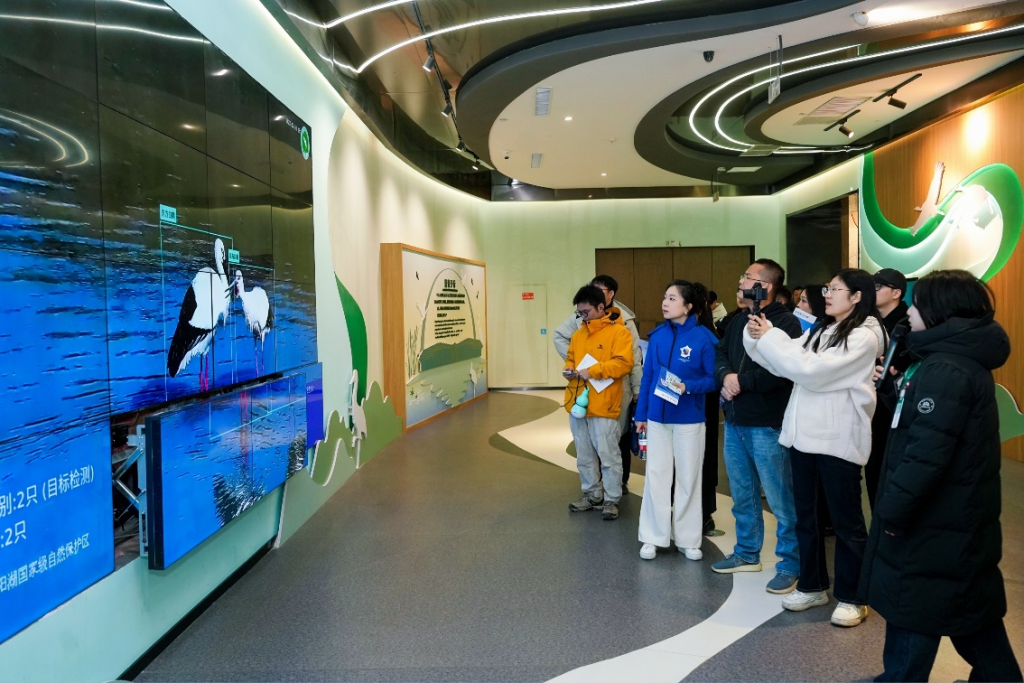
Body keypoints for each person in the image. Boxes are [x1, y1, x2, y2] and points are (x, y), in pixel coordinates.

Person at [862, 270, 1020, 682]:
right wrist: (896, 389)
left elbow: (926, 455)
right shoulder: (949, 362)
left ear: (938, 311)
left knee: (916, 609)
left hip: (935, 520)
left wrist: (893, 511)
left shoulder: (945, 369)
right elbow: (930, 428)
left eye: (917, 304)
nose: (909, 311)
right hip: (956, 518)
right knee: (968, 611)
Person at [744, 269, 884, 628]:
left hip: (838, 438)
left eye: (835, 289)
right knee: (806, 516)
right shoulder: (824, 329)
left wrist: (770, 337)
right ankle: (812, 585)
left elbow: (811, 372)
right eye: (827, 288)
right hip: (804, 436)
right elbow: (786, 359)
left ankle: (854, 597)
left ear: (857, 296)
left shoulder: (864, 336)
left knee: (846, 522)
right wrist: (759, 333)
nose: (827, 294)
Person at [712, 259, 803, 595]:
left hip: (767, 422)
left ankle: (791, 563)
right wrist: (726, 376)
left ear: (765, 286)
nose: (741, 280)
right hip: (735, 419)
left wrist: (742, 382)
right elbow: (720, 353)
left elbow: (784, 369)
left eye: (748, 277)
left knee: (780, 499)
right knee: (742, 493)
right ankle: (747, 552)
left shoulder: (785, 322)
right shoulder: (738, 319)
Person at [634, 281, 718, 560]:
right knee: (656, 477)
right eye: (664, 297)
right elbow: (648, 378)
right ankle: (652, 537)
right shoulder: (658, 336)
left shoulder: (704, 338)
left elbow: (714, 379)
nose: (665, 303)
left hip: (689, 420)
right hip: (657, 418)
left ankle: (688, 539)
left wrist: (688, 387)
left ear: (688, 306)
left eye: (672, 298)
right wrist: (641, 415)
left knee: (688, 478)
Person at [555, 275, 642, 493]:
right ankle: (592, 492)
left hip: (608, 398)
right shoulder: (579, 332)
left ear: (605, 301)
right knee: (584, 452)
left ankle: (613, 494)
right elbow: (569, 351)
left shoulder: (622, 328)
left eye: (586, 312)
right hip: (579, 400)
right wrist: (571, 368)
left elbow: (628, 362)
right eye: (580, 313)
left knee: (611, 449)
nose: (582, 317)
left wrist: (637, 388)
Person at [866, 268, 910, 508]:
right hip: (870, 404)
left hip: (894, 408)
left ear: (896, 293)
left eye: (878, 287)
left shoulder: (907, 325)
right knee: (873, 469)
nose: (872, 291)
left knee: (887, 469)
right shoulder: (868, 321)